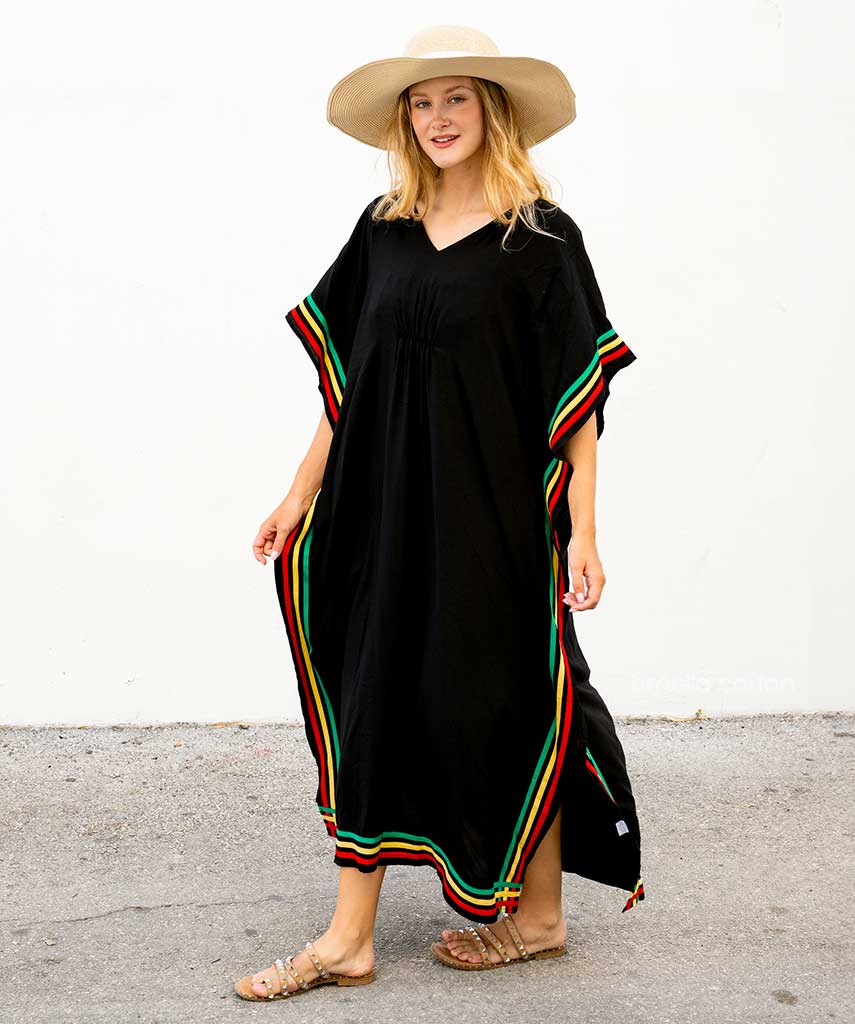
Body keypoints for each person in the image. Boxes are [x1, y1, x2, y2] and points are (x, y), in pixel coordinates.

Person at [236, 23, 645, 1002]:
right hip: (379, 512)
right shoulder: (383, 229)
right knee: (375, 689)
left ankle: (538, 919)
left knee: (513, 698)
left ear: (491, 110)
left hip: (493, 521)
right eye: (421, 104)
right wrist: (298, 491)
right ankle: (349, 938)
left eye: (455, 97)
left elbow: (579, 404)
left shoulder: (541, 241)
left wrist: (585, 531)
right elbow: (347, 384)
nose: (437, 118)